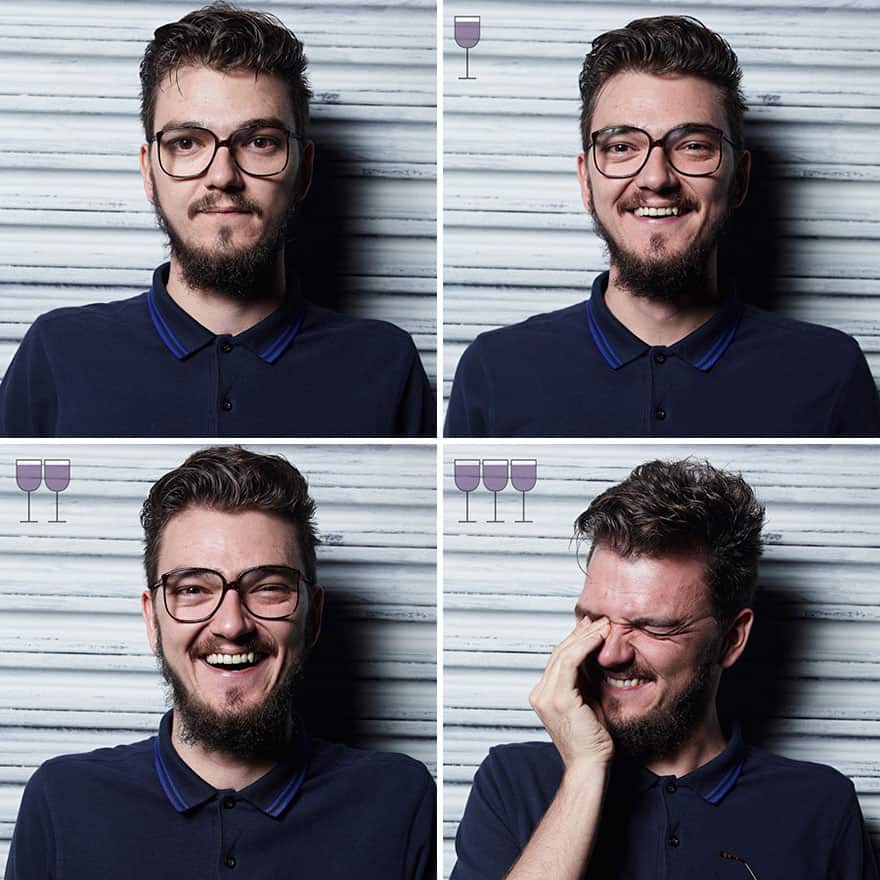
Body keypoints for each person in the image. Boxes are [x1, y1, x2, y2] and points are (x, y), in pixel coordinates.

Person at [0, 3, 434, 437]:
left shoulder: (384, 363)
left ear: (303, 171)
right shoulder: (59, 352)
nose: (223, 175)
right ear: (149, 172)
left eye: (260, 141)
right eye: (186, 142)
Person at [6, 446, 435, 879]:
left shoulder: (401, 803)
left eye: (268, 587)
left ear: (314, 616)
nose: (232, 624)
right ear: (153, 619)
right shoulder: (63, 802)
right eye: (192, 589)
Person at [445, 16, 880, 437]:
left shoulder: (829, 373)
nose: (656, 178)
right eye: (621, 146)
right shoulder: (495, 371)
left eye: (693, 146)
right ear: (586, 180)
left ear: (740, 179)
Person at [451, 459, 878, 879]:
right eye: (594, 621)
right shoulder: (513, 782)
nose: (608, 654)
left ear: (731, 639)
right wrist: (584, 770)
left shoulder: (819, 808)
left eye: (652, 627)